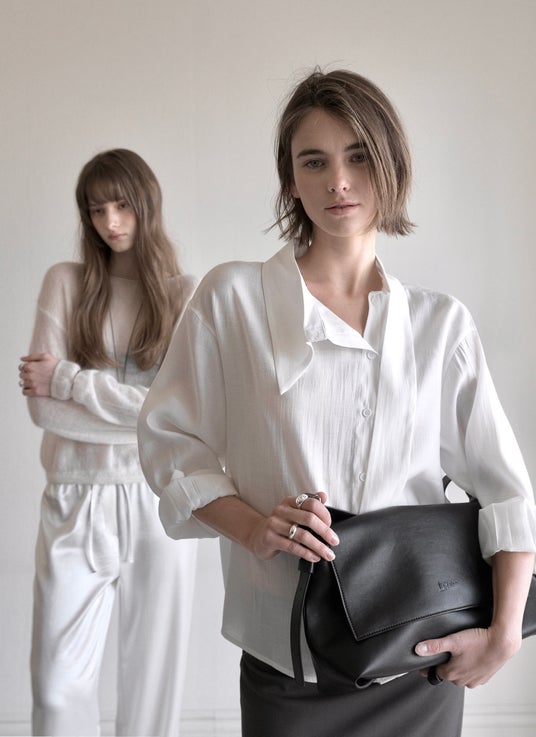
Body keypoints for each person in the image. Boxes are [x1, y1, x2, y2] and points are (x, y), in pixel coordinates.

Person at [137, 70, 536, 737]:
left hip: (419, 664)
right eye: (314, 162)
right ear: (291, 180)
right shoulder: (231, 300)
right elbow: (170, 444)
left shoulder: (441, 325)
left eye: (358, 157)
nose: (338, 182)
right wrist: (253, 527)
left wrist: (505, 634)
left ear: (391, 166)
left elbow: (506, 492)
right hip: (288, 662)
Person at [19, 149, 198, 737]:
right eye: (96, 210)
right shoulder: (65, 283)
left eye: (122, 205)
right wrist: (141, 411)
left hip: (160, 497)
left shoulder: (183, 294)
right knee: (56, 688)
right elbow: (43, 410)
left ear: (147, 205)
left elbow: (182, 416)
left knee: (152, 684)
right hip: (75, 497)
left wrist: (70, 382)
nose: (110, 222)